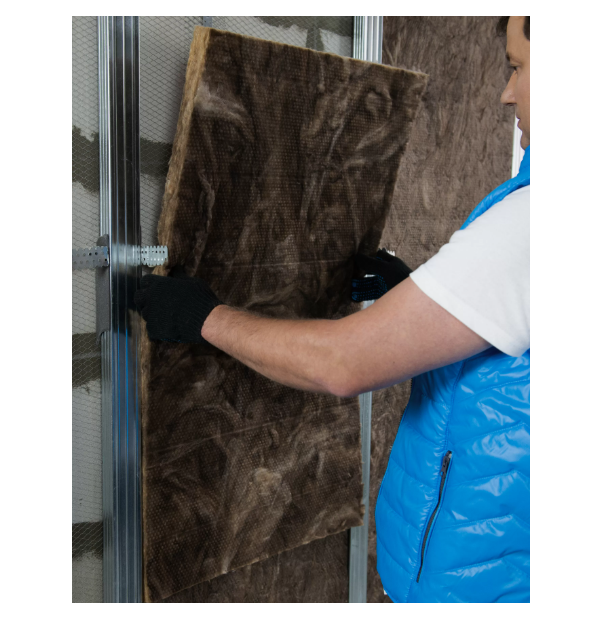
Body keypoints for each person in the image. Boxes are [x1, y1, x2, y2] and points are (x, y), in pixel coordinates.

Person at [135, 16, 530, 603]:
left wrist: (204, 317)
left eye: (518, 67)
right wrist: (418, 297)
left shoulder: (533, 221)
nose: (506, 93)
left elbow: (344, 364)